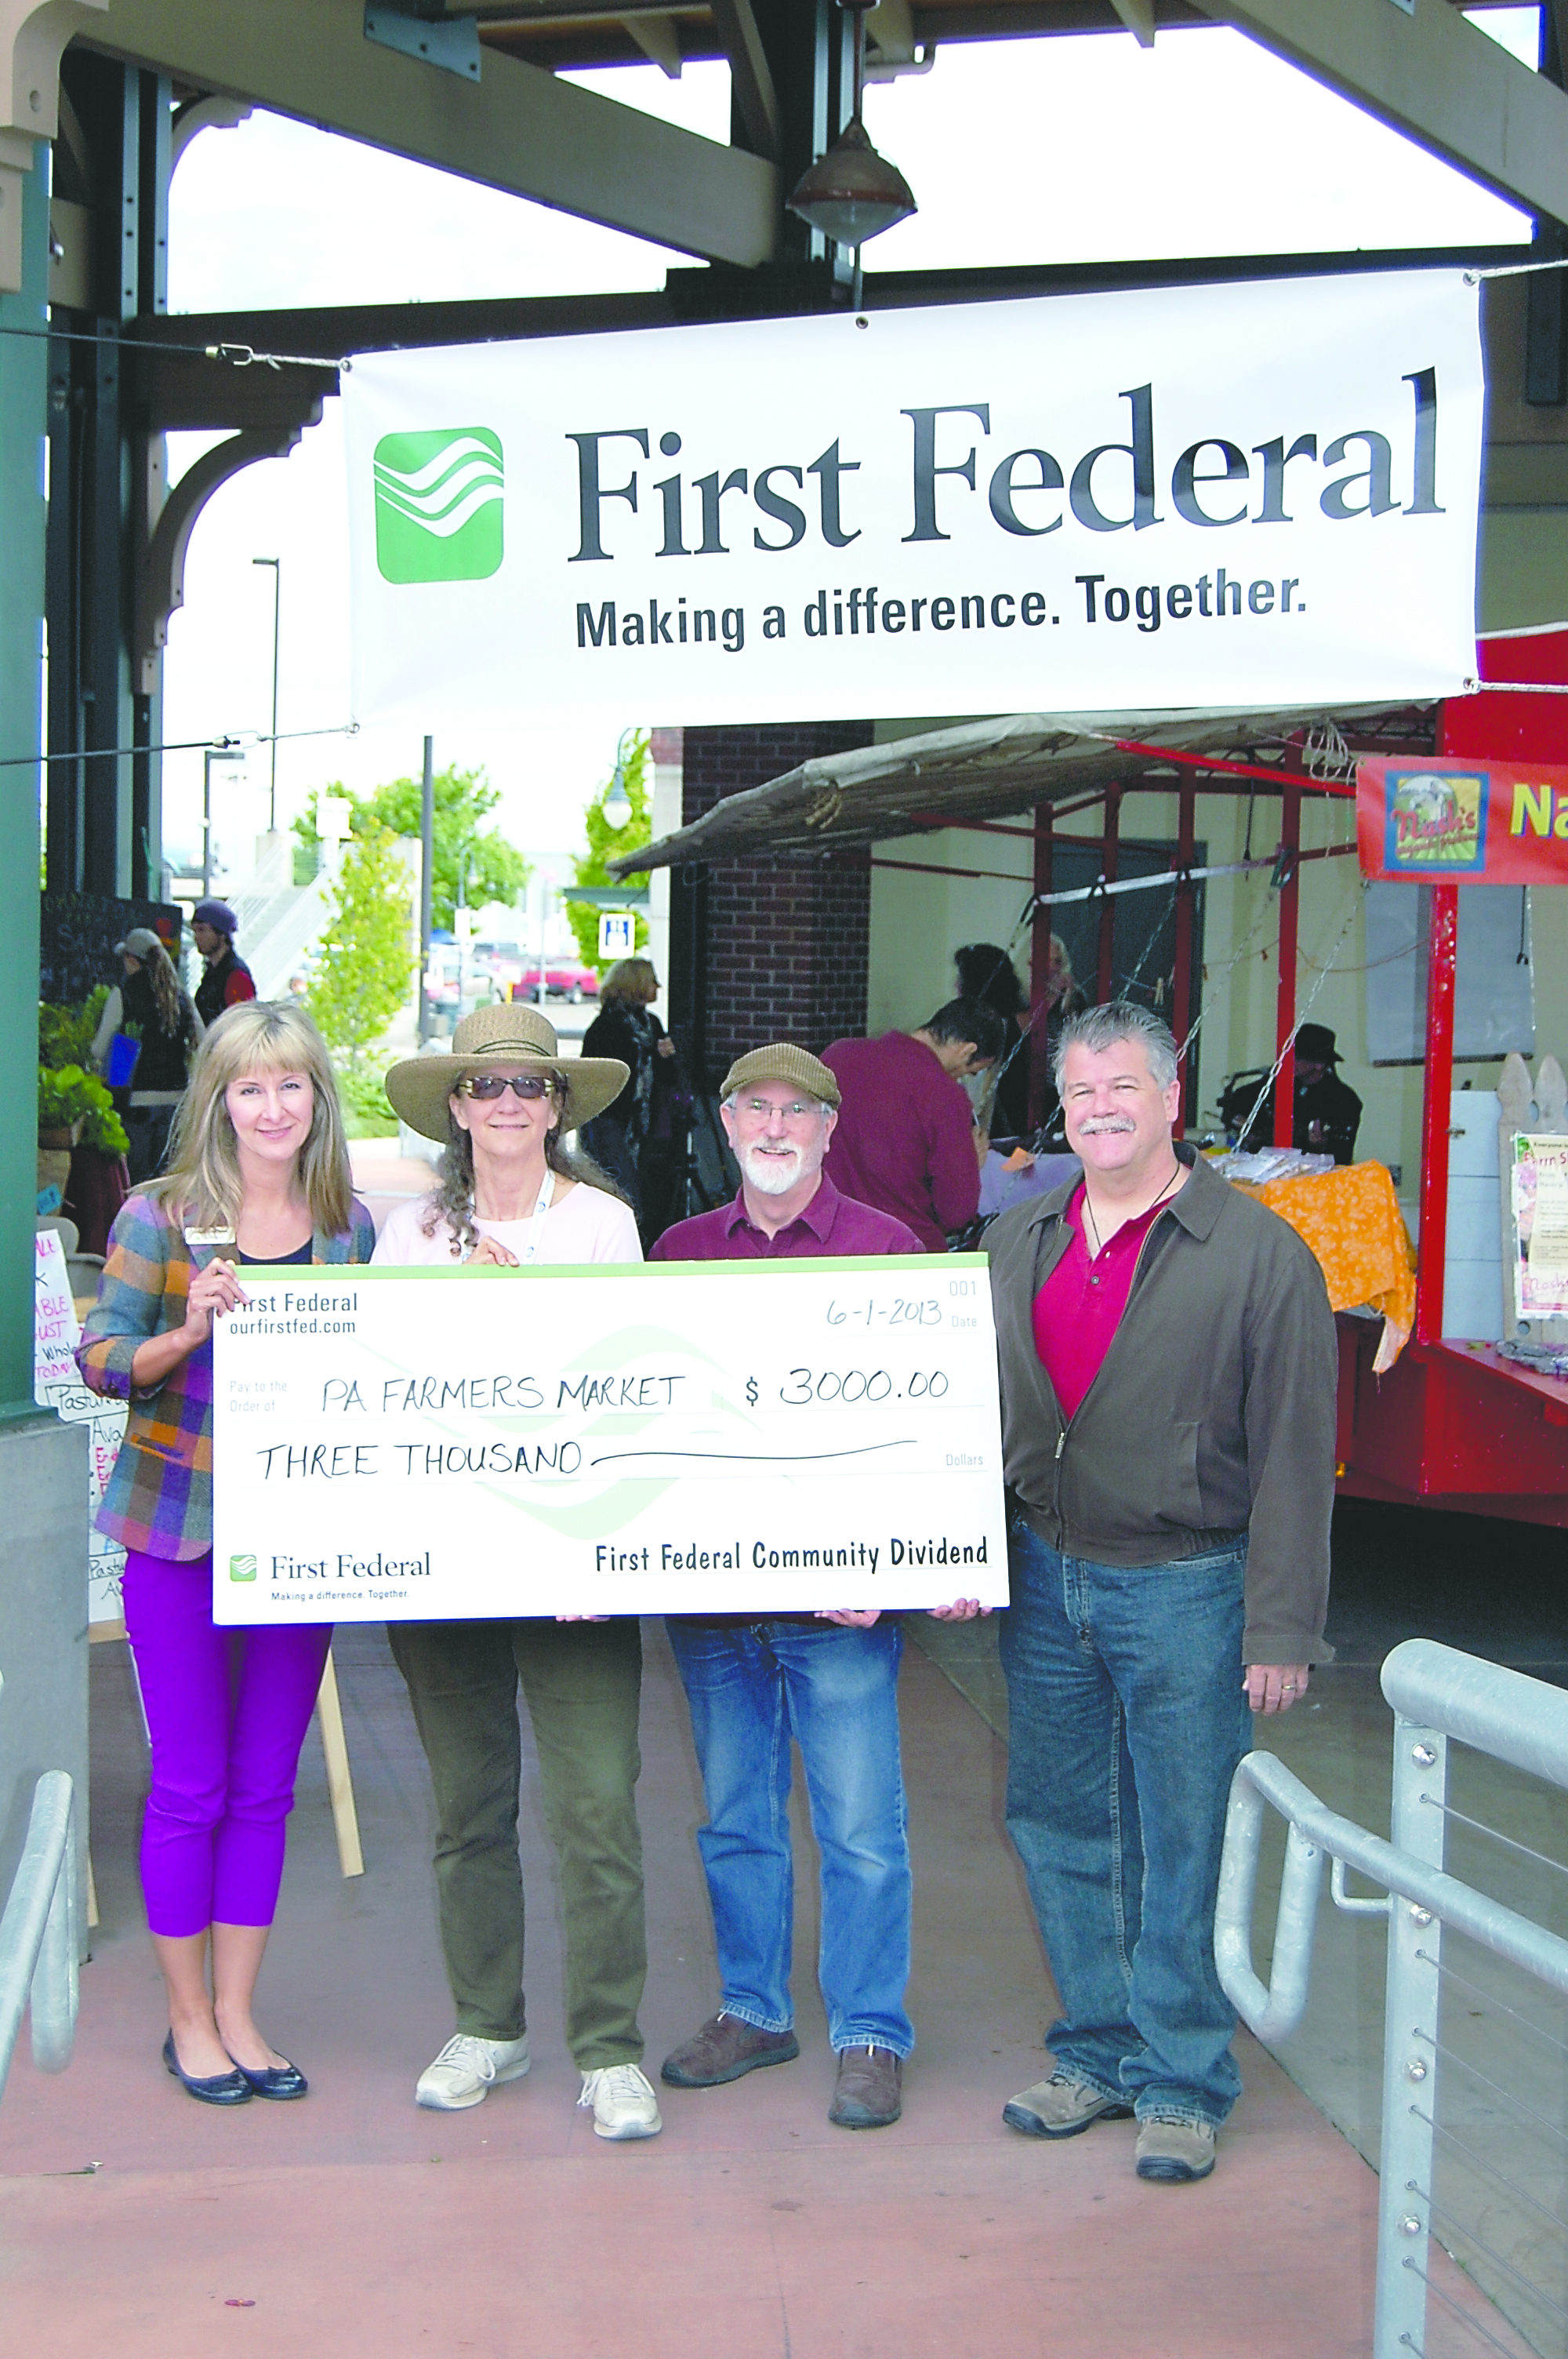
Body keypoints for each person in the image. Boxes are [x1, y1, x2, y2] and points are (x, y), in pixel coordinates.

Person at [984, 1001, 1336, 2185]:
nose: (1099, 1109)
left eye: (1122, 1087)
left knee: (1181, 1836)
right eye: (1079, 1093)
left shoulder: (1258, 1253)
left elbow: (1294, 1454)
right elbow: (975, 1421)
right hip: (1045, 1579)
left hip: (1189, 1587)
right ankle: (1094, 2049)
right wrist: (961, 1558)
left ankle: (1182, 2081)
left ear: (1172, 1099)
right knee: (1057, 1821)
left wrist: (1281, 1625)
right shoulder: (1017, 1240)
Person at [651, 1043, 986, 2132]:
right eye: (758, 1108)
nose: (779, 1127)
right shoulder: (679, 1252)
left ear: (832, 1130)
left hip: (841, 1606)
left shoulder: (893, 1251)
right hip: (715, 1605)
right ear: (729, 1122)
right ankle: (753, 2010)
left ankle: (871, 2032)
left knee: (860, 1827)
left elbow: (923, 1432)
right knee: (736, 1821)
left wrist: (910, 1563)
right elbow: (649, 1429)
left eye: (801, 1111)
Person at [77, 1001, 375, 2106]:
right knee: (191, 1786)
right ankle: (187, 2019)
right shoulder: (161, 1219)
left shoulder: (348, 1229)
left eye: (291, 1085)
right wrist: (186, 1334)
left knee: (266, 1790)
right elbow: (105, 1358)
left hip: (301, 1545)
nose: (272, 1106)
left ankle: (243, 2011)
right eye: (249, 1087)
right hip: (181, 1535)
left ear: (316, 1099)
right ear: (217, 1100)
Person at [376, 1004, 664, 2143]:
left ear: (558, 1109)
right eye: (487, 1085)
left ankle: (609, 2045)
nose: (507, 1103)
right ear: (456, 1106)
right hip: (445, 1558)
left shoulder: (600, 1225)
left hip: (571, 1561)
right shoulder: (408, 1234)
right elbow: (381, 1385)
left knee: (597, 1805)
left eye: (529, 1088)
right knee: (467, 1806)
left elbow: (624, 1391)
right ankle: (488, 2023)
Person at [822, 997, 1007, 1252]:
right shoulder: (944, 1095)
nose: (964, 1077)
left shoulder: (837, 1056)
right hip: (904, 1252)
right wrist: (971, 1164)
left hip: (823, 1240)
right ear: (967, 1051)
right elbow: (956, 1212)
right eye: (972, 1070)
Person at [578, 955, 681, 1241]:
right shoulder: (606, 1026)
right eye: (650, 981)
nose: (658, 987)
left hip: (642, 1122)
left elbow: (667, 1077)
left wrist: (665, 1057)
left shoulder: (652, 1023)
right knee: (622, 1185)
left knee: (645, 1187)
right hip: (609, 1118)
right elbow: (597, 1073)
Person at [92, 926, 204, 1185]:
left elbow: (99, 1048)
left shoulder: (123, 994)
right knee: (172, 1183)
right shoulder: (182, 996)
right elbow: (206, 1042)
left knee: (140, 1184)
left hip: (137, 1103)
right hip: (177, 1103)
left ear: (132, 960)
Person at [1292, 1023, 1363, 1165]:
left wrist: (1319, 1146)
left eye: (1299, 1057)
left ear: (1319, 1064)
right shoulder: (1279, 1085)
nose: (1292, 1061)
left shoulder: (1344, 1099)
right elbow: (1243, 1098)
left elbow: (1341, 1155)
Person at [191, 900, 257, 1028]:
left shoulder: (236, 976)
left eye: (202, 930)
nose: (196, 937)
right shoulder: (214, 971)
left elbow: (243, 1024)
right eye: (195, 931)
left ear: (221, 934)